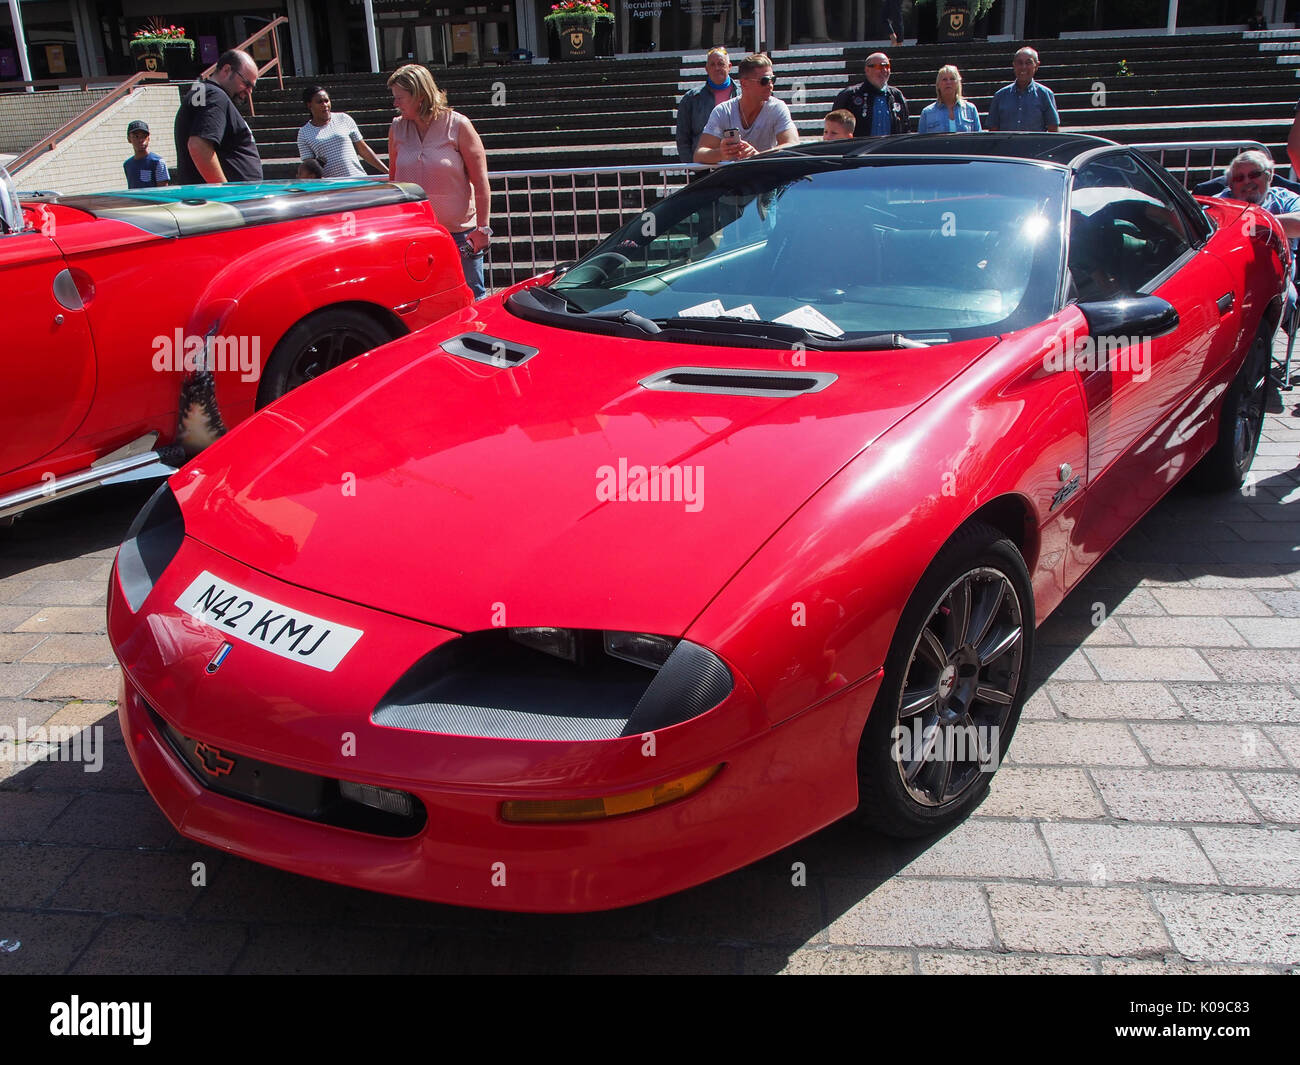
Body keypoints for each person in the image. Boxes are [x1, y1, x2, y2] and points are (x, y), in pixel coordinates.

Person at [388, 63, 491, 300]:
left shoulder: (458, 125)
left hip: (459, 235)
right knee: (422, 300)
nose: (395, 104)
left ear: (420, 96)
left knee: (470, 298)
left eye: (400, 98)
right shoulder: (396, 128)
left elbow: (480, 181)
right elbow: (393, 181)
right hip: (413, 236)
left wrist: (483, 229)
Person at [173, 49, 262, 184]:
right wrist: (223, 190)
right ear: (226, 70)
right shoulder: (214, 95)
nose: (249, 91)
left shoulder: (204, 92)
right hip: (222, 200)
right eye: (246, 83)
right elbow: (198, 145)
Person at [694, 53, 799, 163]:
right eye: (764, 81)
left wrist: (758, 157)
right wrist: (722, 153)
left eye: (772, 79)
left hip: (767, 177)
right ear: (744, 83)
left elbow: (793, 144)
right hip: (735, 178)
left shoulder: (777, 107)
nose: (770, 85)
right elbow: (699, 154)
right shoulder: (723, 111)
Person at [297, 85, 386, 178]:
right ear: (309, 105)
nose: (325, 105)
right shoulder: (304, 133)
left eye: (326, 101)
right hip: (332, 187)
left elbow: (363, 149)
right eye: (319, 102)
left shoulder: (343, 118)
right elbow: (309, 168)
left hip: (357, 179)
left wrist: (387, 172)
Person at [675, 47, 739, 163]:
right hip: (703, 167)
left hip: (737, 165)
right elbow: (682, 138)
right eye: (712, 65)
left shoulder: (743, 94)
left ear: (729, 67)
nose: (717, 68)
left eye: (721, 64)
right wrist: (693, 166)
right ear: (706, 69)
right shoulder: (691, 99)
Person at [831, 52, 909, 138]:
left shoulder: (896, 96)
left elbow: (905, 128)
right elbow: (833, 128)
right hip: (860, 149)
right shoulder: (850, 95)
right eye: (880, 66)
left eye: (887, 66)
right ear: (867, 70)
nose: (884, 70)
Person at [987, 47, 1060, 133]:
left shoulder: (1045, 94)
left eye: (1028, 63)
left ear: (1036, 66)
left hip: (1035, 146)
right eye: (1019, 63)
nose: (1023, 67)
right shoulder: (1000, 96)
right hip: (1007, 146)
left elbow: (1053, 129)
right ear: (1014, 65)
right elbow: (993, 130)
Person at [917, 65, 982, 133]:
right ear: (938, 85)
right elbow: (921, 142)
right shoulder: (927, 113)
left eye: (952, 79)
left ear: (957, 84)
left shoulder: (970, 109)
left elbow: (978, 140)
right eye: (944, 79)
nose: (948, 82)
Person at [123, 119, 169, 189]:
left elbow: (163, 191)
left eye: (144, 136)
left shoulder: (157, 162)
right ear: (129, 139)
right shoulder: (127, 164)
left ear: (148, 139)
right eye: (136, 136)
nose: (141, 140)